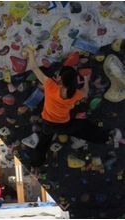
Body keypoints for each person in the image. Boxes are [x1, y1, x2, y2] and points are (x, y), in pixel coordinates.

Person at [22, 47, 122, 175]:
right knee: (84, 127)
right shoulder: (75, 94)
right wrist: (86, 81)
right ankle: (106, 138)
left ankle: (35, 166)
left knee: (43, 144)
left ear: (60, 80)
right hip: (64, 125)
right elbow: (85, 93)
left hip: (48, 124)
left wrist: (31, 53)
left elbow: (35, 68)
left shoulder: (51, 87)